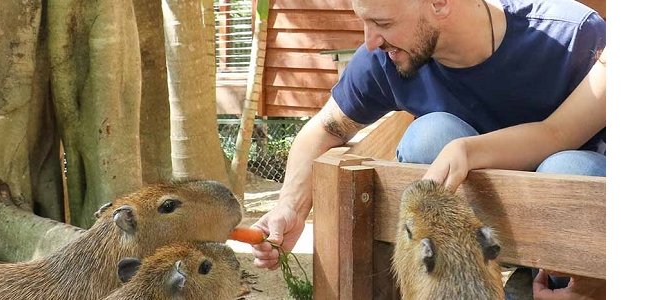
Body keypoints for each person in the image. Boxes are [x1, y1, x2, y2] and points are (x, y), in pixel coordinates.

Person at [249, 0, 605, 298]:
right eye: (364, 22)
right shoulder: (384, 57)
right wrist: (289, 207)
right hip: (474, 245)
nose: (370, 41)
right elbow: (323, 130)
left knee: (571, 169)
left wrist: (602, 282)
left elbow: (558, 134)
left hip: (568, 233)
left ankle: (563, 284)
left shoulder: (573, 35)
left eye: (382, 22)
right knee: (431, 135)